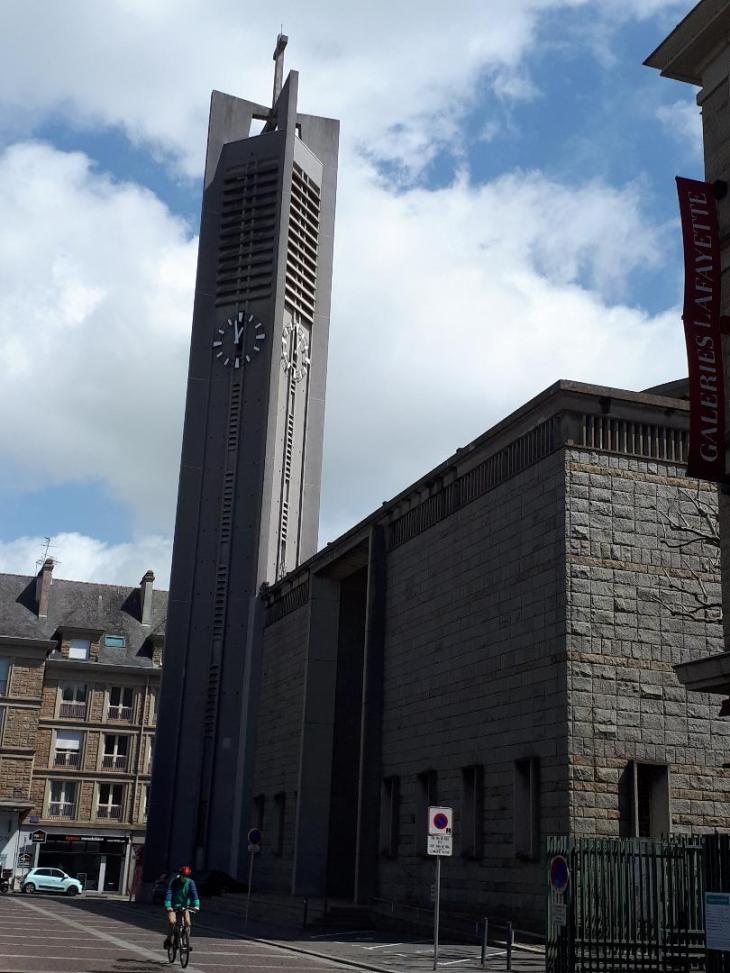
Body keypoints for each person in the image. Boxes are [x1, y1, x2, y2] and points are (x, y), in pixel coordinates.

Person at [163, 865, 200, 950]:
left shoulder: (190, 882)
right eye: (183, 875)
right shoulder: (174, 882)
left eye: (187, 876)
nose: (185, 877)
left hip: (184, 906)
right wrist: (168, 905)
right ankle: (169, 940)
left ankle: (186, 942)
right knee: (172, 922)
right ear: (180, 875)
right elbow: (169, 892)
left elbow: (194, 894)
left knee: (187, 922)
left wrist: (196, 905)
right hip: (173, 906)